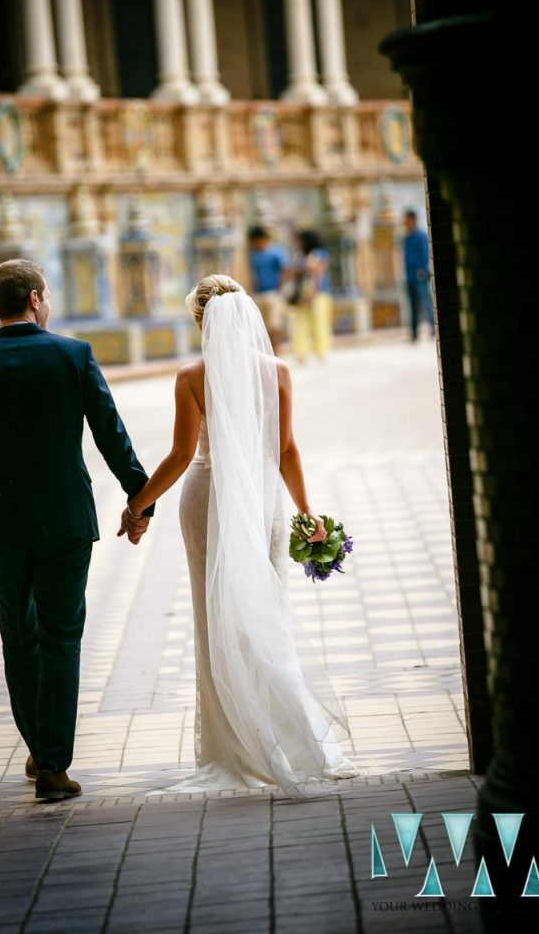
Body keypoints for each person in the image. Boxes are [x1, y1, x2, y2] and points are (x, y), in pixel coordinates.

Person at [125, 274, 359, 798]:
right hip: (262, 500)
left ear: (202, 323)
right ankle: (284, 735)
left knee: (216, 617)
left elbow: (182, 456)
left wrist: (137, 504)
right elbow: (287, 451)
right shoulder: (276, 371)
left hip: (206, 499)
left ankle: (232, 743)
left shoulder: (190, 376)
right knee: (267, 615)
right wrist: (306, 512)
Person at [0, 259, 154, 803]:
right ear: (36, 298)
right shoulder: (72, 354)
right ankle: (55, 765)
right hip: (65, 520)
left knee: (19, 638)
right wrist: (141, 498)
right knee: (61, 638)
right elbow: (111, 432)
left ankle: (39, 746)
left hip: (1, 527)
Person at [285, 230, 334, 364]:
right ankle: (301, 353)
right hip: (302, 294)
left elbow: (317, 272)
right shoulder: (299, 256)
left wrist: (313, 294)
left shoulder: (318, 253)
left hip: (318, 294)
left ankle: (321, 351)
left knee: (319, 324)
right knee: (301, 324)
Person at [247, 225, 289, 355]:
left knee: (275, 326)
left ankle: (277, 352)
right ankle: (267, 353)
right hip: (258, 294)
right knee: (262, 327)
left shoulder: (276, 252)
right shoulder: (252, 255)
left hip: (273, 293)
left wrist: (280, 288)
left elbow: (285, 271)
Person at [403, 209, 436, 341]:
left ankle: (433, 328)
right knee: (412, 305)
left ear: (413, 220)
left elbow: (424, 255)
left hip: (420, 276)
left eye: (407, 220)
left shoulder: (421, 236)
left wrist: (421, 270)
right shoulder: (407, 238)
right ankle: (414, 333)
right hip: (410, 276)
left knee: (426, 302)